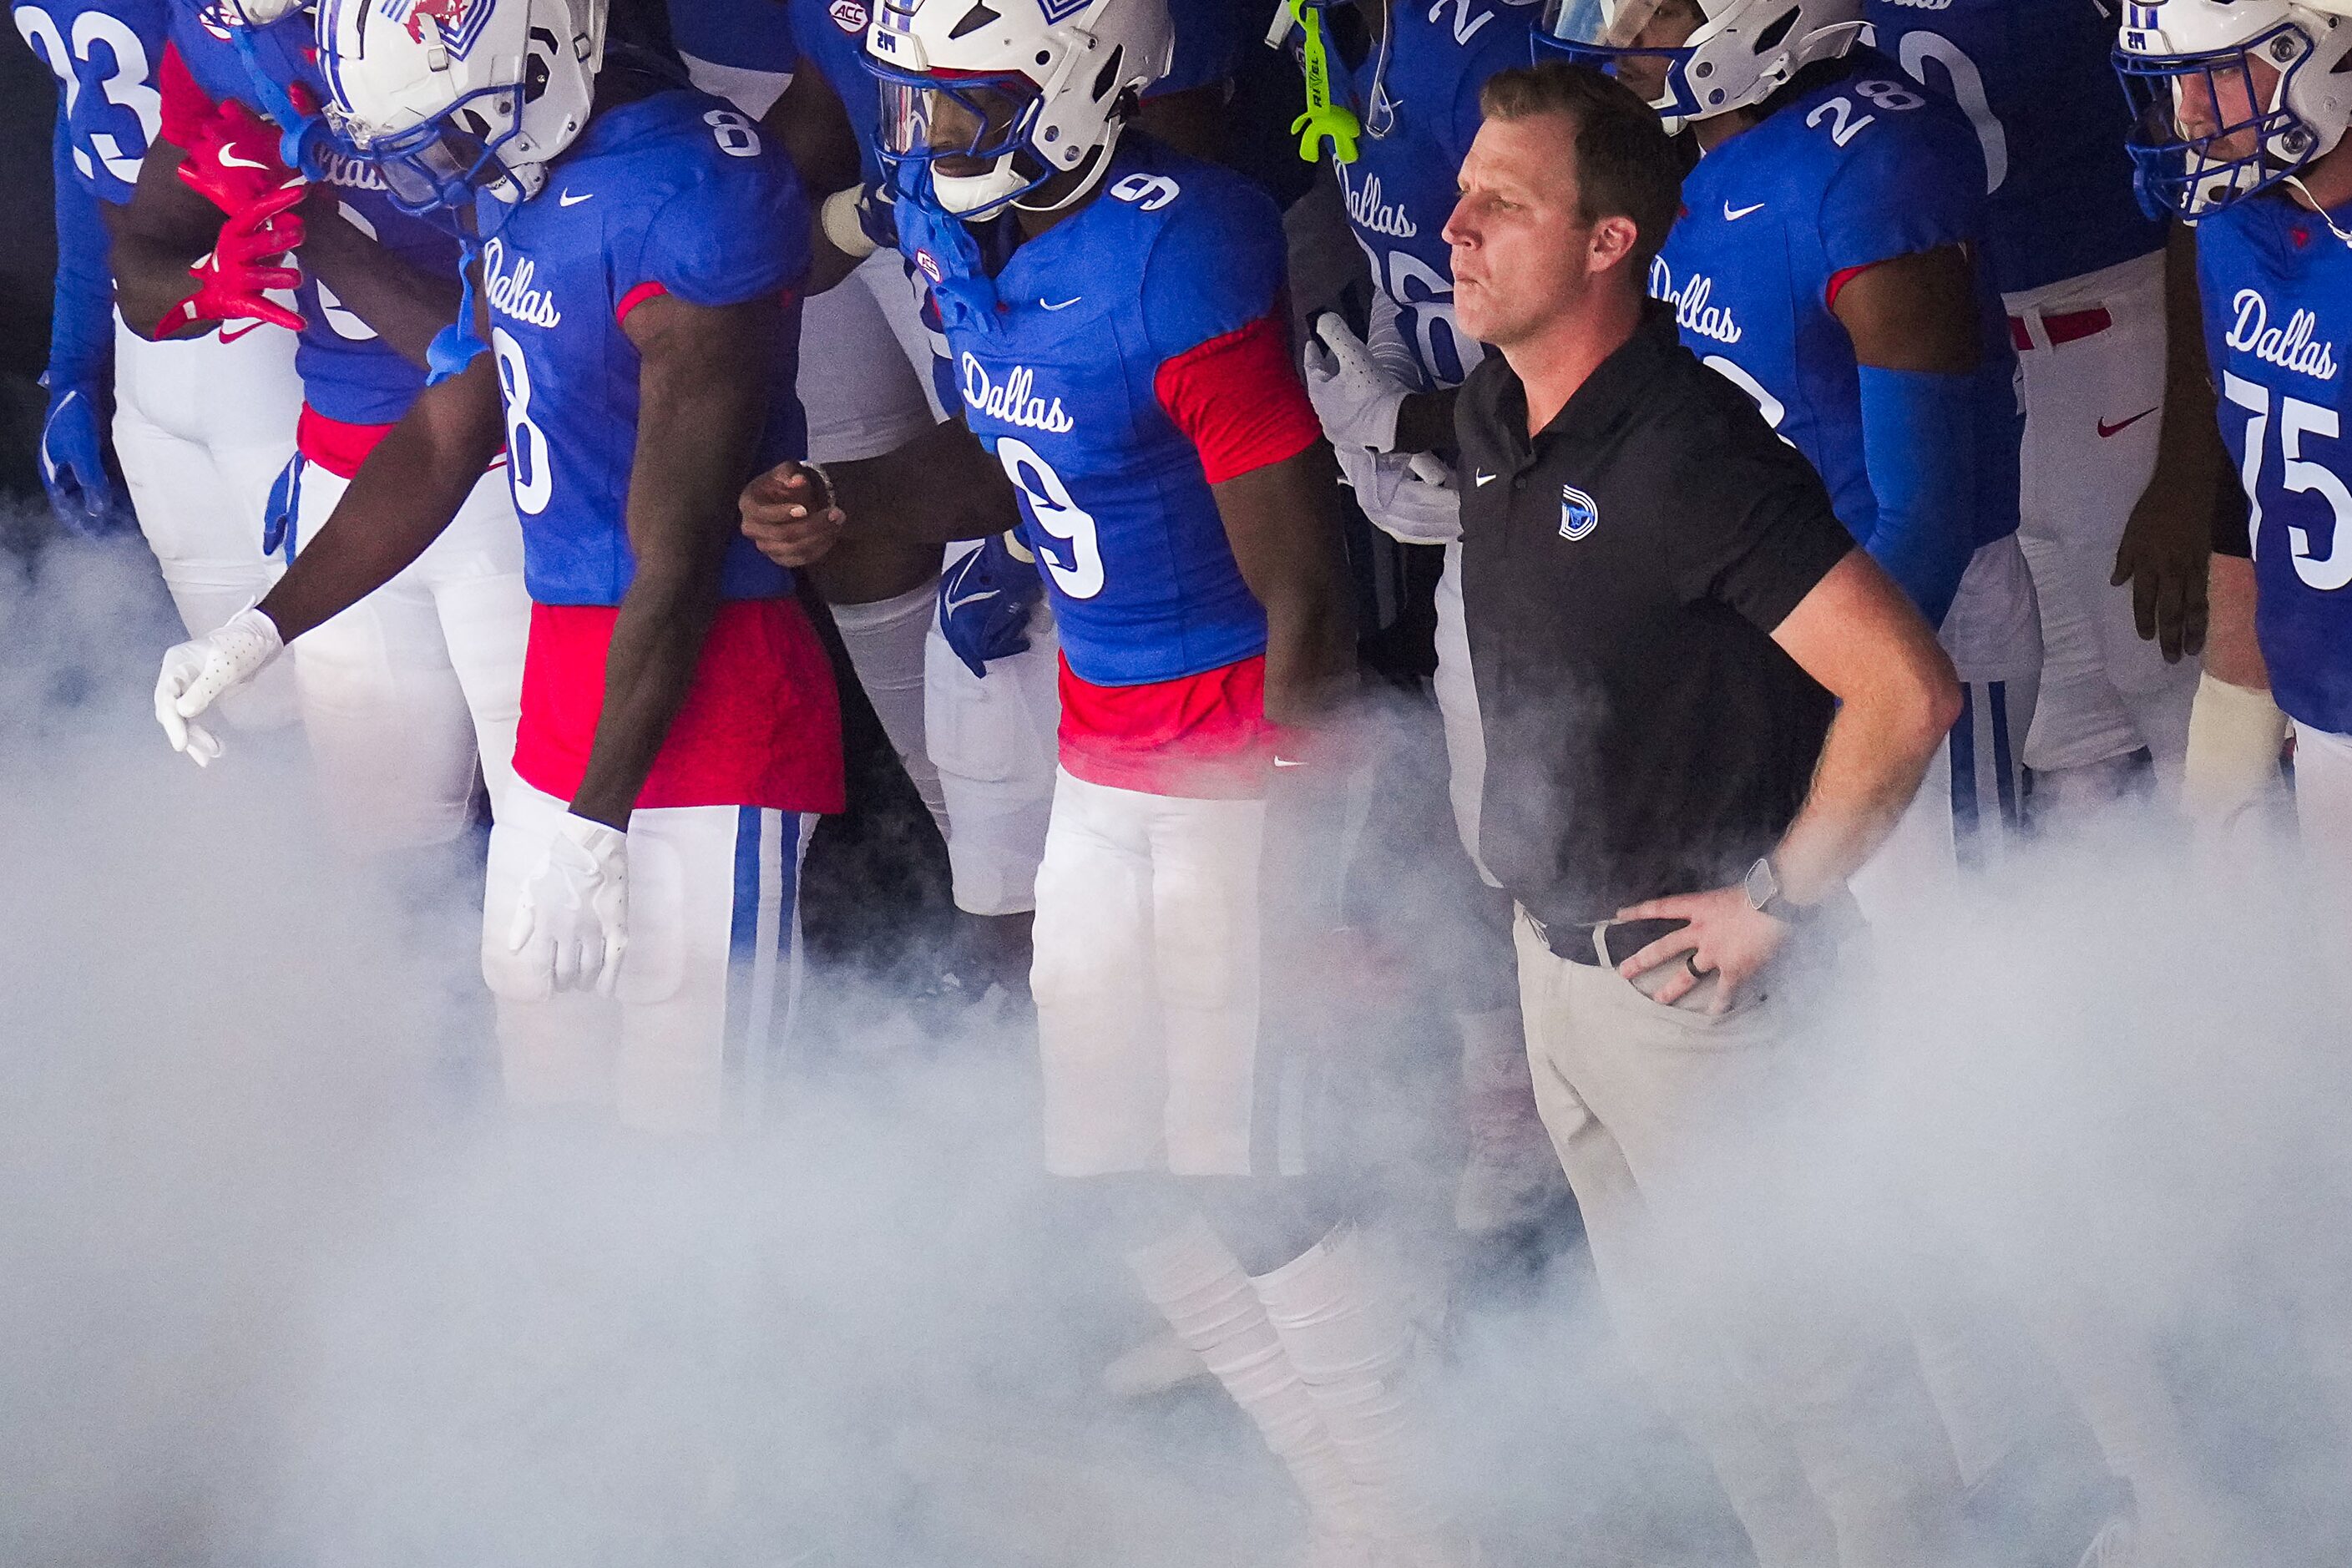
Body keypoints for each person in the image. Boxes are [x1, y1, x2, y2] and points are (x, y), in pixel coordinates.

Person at [775, 0, 1463, 1559]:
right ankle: (1340, 1487)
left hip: (1222, 745)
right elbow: (1007, 445)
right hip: (1100, 746)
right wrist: (861, 498)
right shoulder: (977, 227)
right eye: (914, 104)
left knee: (1249, 1166)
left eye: (953, 104)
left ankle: (1410, 1514)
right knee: (1112, 1162)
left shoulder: (1184, 248)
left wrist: (1300, 827)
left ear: (1069, 85)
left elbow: (1300, 587)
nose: (922, 139)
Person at [1446, 58, 1978, 1568]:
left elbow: (1906, 689)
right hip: (1556, 969)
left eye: (1503, 200)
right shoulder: (1498, 405)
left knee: (1825, 1381)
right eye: (1465, 189)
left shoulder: (1693, 455)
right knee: (1694, 1367)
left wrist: (1780, 901)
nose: (1454, 221)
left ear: (1608, 241)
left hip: (1697, 997)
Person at [151, 0, 844, 1131]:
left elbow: (674, 551)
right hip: (572, 683)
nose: (436, 170)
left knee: (697, 1135)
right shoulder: (522, 150)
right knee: (549, 1098)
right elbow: (439, 437)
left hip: (708, 692)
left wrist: (596, 820)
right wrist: (259, 626)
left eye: (448, 136)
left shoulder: (692, 191)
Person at [1539, 0, 2041, 907]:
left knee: (1958, 983)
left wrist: (1815, 697)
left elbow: (1926, 514)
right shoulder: (1695, 140)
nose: (1619, 37)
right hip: (1776, 622)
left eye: (1656, 8)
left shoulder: (1870, 168)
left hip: (1907, 627)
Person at [111, 0, 530, 854]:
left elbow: (485, 363)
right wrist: (214, 277)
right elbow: (144, 270)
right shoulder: (224, 37)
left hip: (508, 483)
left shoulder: (478, 25)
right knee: (384, 861)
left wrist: (302, 220)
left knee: (556, 856)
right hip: (338, 474)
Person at [1286, 0, 1567, 1238]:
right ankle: (1525, 1107)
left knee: (1590, 822)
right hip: (1484, 477)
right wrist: (1390, 401)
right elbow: (1416, 274)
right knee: (1477, 811)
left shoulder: (1490, 44)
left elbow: (1596, 336)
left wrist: (1409, 425)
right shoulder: (1335, 29)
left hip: (1574, 500)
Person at [1869, 0, 2217, 821]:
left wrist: (2189, 468)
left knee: (2173, 683)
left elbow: (2200, 180)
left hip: (2121, 332)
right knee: (2065, 732)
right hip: (1994, 358)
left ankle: (2253, 933)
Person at [2119, 0, 2352, 948]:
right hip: (2325, 710)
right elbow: (2262, 472)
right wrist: (2240, 693)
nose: (2189, 116)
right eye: (2172, 79)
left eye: (2216, 72)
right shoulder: (2234, 231)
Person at [18, 0, 306, 729]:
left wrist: (355, 411)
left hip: (270, 329)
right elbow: (84, 130)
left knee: (368, 689)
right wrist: (74, 365)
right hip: (148, 344)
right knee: (240, 706)